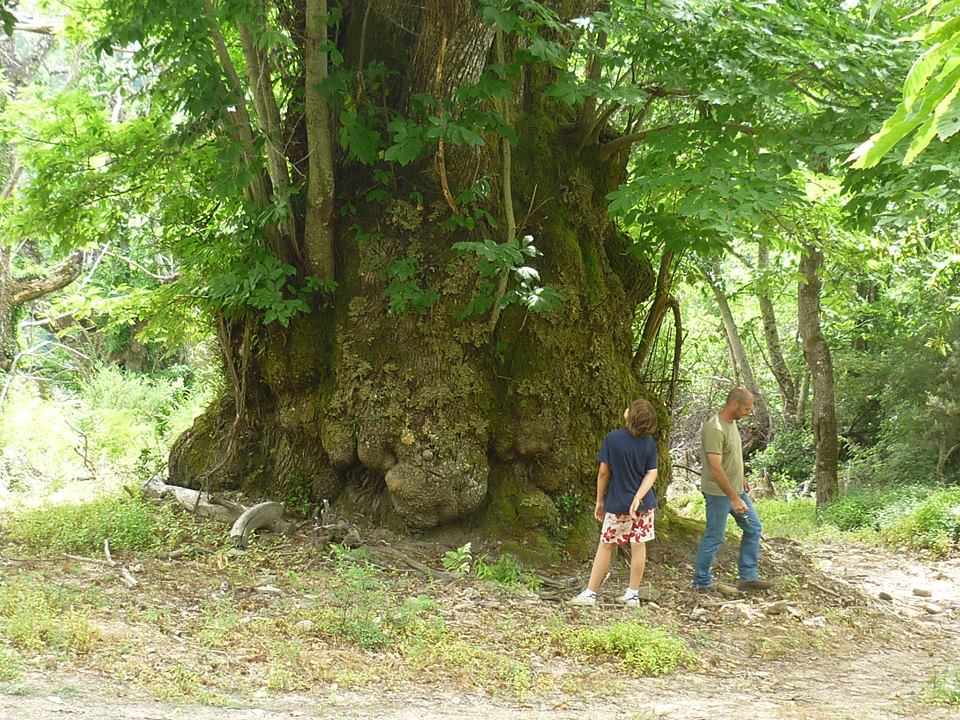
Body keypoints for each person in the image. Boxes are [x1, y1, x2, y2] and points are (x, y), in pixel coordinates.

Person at [570, 399, 659, 607]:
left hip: (618, 503)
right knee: (638, 545)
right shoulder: (649, 443)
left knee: (606, 545)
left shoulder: (613, 439)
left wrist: (599, 501)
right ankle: (632, 594)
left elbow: (603, 473)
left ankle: (591, 593)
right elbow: (652, 473)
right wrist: (639, 497)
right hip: (643, 506)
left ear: (631, 416)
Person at [693, 387, 774, 593]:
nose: (748, 412)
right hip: (720, 494)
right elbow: (715, 467)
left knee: (753, 528)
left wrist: (741, 478)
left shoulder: (732, 424)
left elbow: (731, 458)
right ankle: (701, 582)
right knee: (715, 535)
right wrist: (733, 498)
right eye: (746, 408)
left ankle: (748, 577)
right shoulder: (715, 428)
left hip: (736, 490)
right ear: (733, 404)